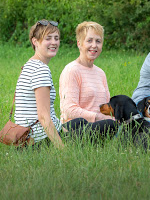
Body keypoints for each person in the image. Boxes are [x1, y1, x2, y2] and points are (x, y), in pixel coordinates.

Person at [59, 21, 117, 138]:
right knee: (111, 125)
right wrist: (98, 117)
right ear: (79, 44)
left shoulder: (100, 73)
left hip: (100, 126)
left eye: (98, 41)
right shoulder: (71, 70)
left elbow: (106, 106)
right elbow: (69, 110)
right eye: (89, 41)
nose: (94, 45)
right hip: (76, 129)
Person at [14, 19, 64, 148]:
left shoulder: (29, 64)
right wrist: (62, 150)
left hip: (27, 137)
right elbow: (43, 116)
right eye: (48, 38)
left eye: (56, 38)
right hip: (40, 139)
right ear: (35, 41)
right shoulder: (40, 69)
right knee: (107, 126)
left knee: (79, 123)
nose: (54, 42)